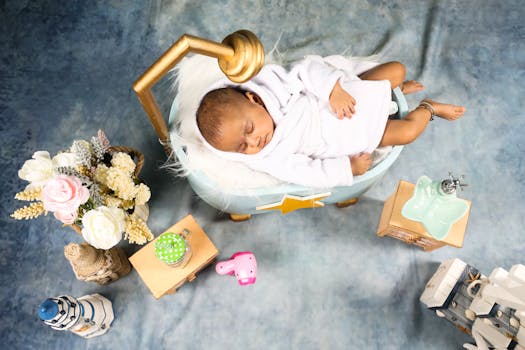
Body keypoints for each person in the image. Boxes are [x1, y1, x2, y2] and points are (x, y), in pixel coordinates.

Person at [196, 55, 465, 188]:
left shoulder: (275, 88)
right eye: (243, 147)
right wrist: (347, 168)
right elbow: (307, 173)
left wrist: (332, 91)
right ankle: (430, 109)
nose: (254, 141)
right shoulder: (271, 158)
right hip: (350, 133)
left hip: (343, 99)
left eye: (249, 130)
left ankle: (394, 92)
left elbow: (304, 69)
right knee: (405, 133)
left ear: (253, 99)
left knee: (396, 70)